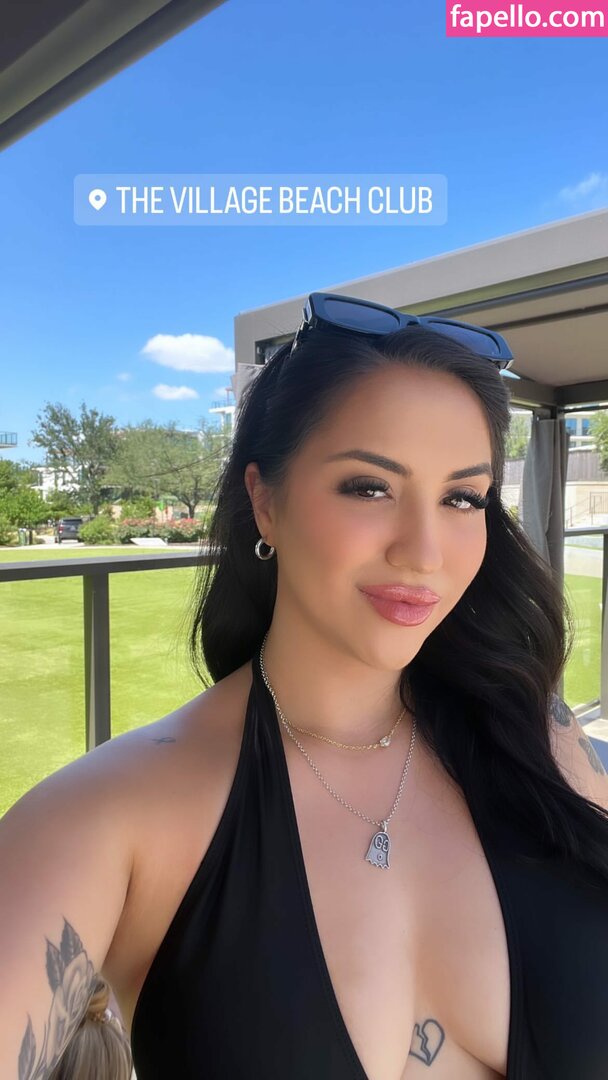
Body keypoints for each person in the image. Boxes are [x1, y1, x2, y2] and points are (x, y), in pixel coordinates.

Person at [2, 291, 608, 1079]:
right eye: (369, 486)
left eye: (463, 497)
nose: (425, 551)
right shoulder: (113, 817)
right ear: (265, 501)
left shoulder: (540, 739)